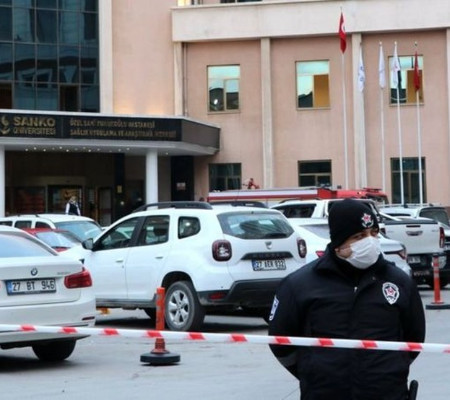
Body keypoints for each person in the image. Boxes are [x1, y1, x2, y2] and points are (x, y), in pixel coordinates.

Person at [268, 198, 425, 400]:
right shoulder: (299, 285)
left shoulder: (399, 282)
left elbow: (414, 337)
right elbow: (280, 341)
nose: (370, 241)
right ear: (338, 243)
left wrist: (390, 368)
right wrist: (312, 370)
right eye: (359, 236)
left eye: (374, 233)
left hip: (387, 393)